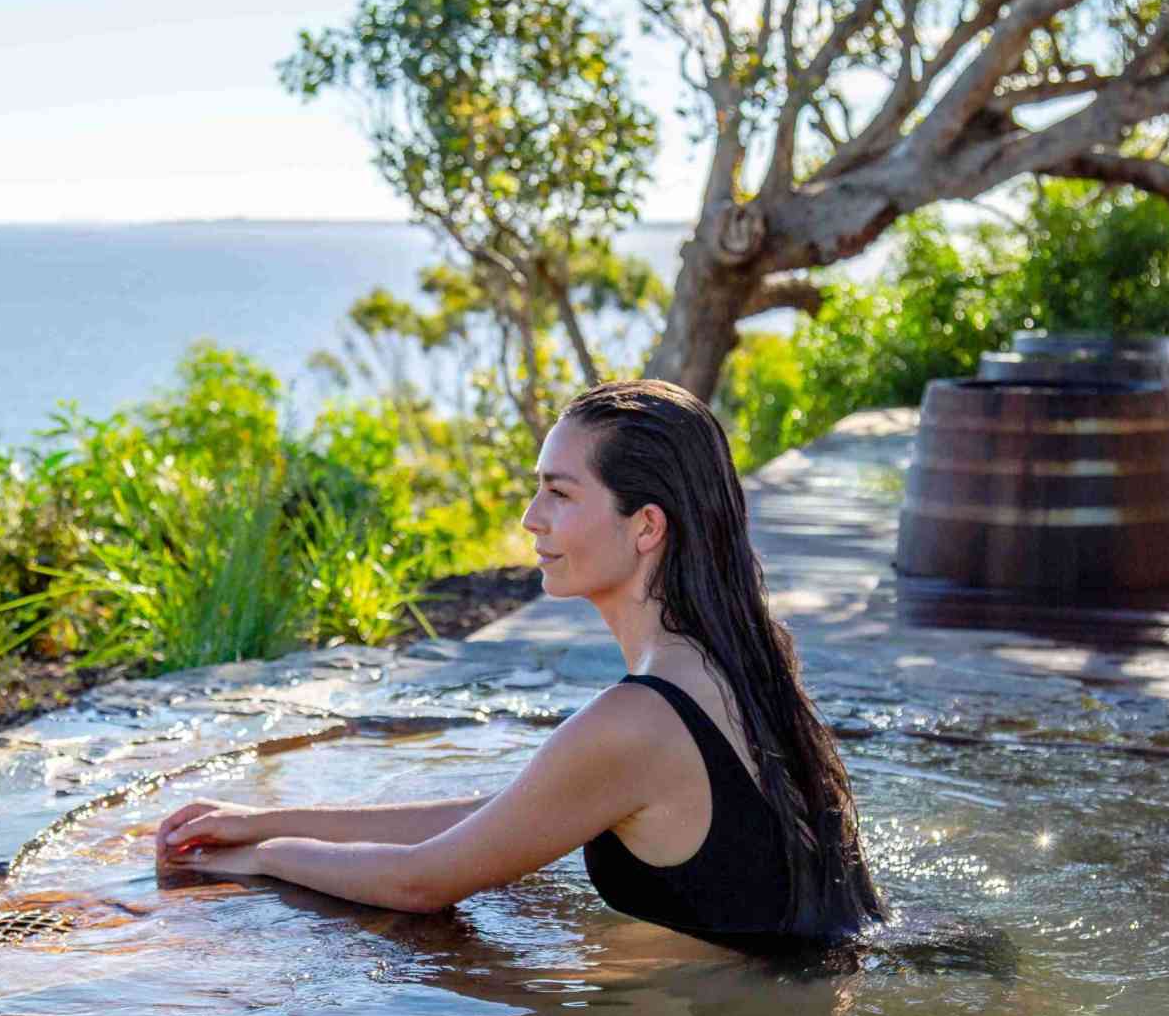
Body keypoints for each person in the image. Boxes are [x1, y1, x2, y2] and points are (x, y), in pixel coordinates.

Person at [157, 378, 887, 955]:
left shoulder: (640, 720)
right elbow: (507, 816)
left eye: (559, 493)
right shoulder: (739, 659)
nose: (531, 518)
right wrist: (267, 819)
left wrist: (264, 858)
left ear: (647, 526)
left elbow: (421, 883)